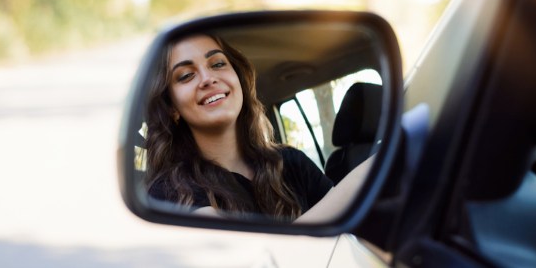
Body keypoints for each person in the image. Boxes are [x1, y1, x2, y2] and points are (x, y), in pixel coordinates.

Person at [144, 33, 373, 222]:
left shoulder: (292, 162)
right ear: (172, 107)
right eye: (185, 76)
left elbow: (348, 231)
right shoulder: (169, 191)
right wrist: (365, 174)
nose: (207, 78)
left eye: (218, 64)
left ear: (238, 81)